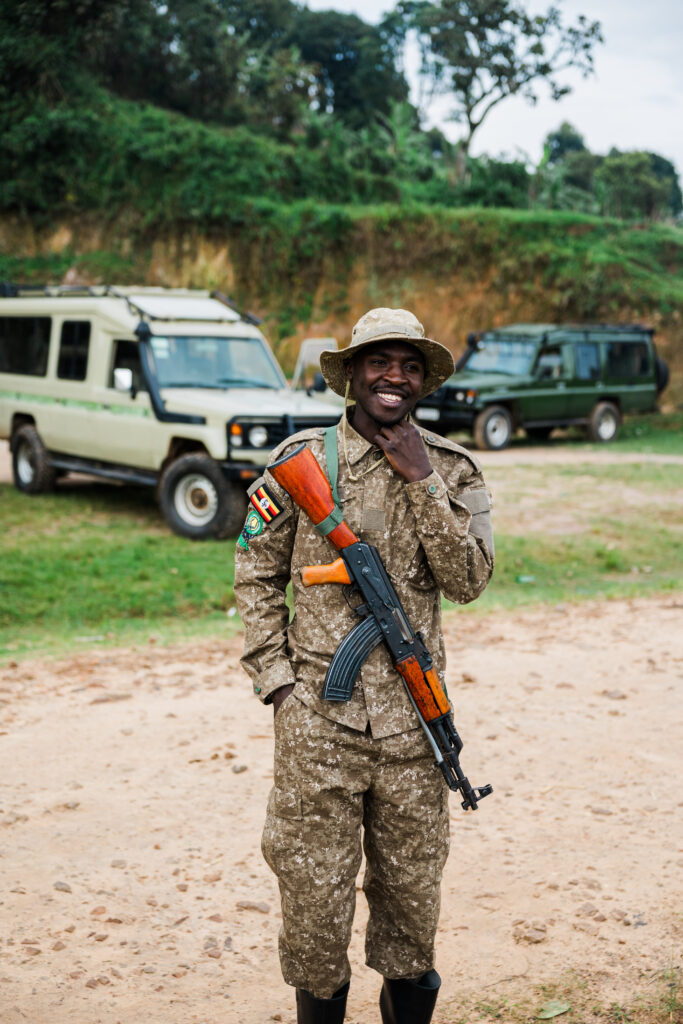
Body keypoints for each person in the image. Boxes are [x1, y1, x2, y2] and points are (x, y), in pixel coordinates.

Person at [234, 308, 494, 1024]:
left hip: (414, 729)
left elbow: (468, 580)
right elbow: (255, 574)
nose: (394, 377)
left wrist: (422, 481)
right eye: (379, 361)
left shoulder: (452, 469)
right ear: (350, 372)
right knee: (315, 915)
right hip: (318, 725)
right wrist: (278, 683)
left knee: (411, 915)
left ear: (423, 381)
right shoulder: (301, 463)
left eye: (409, 366)